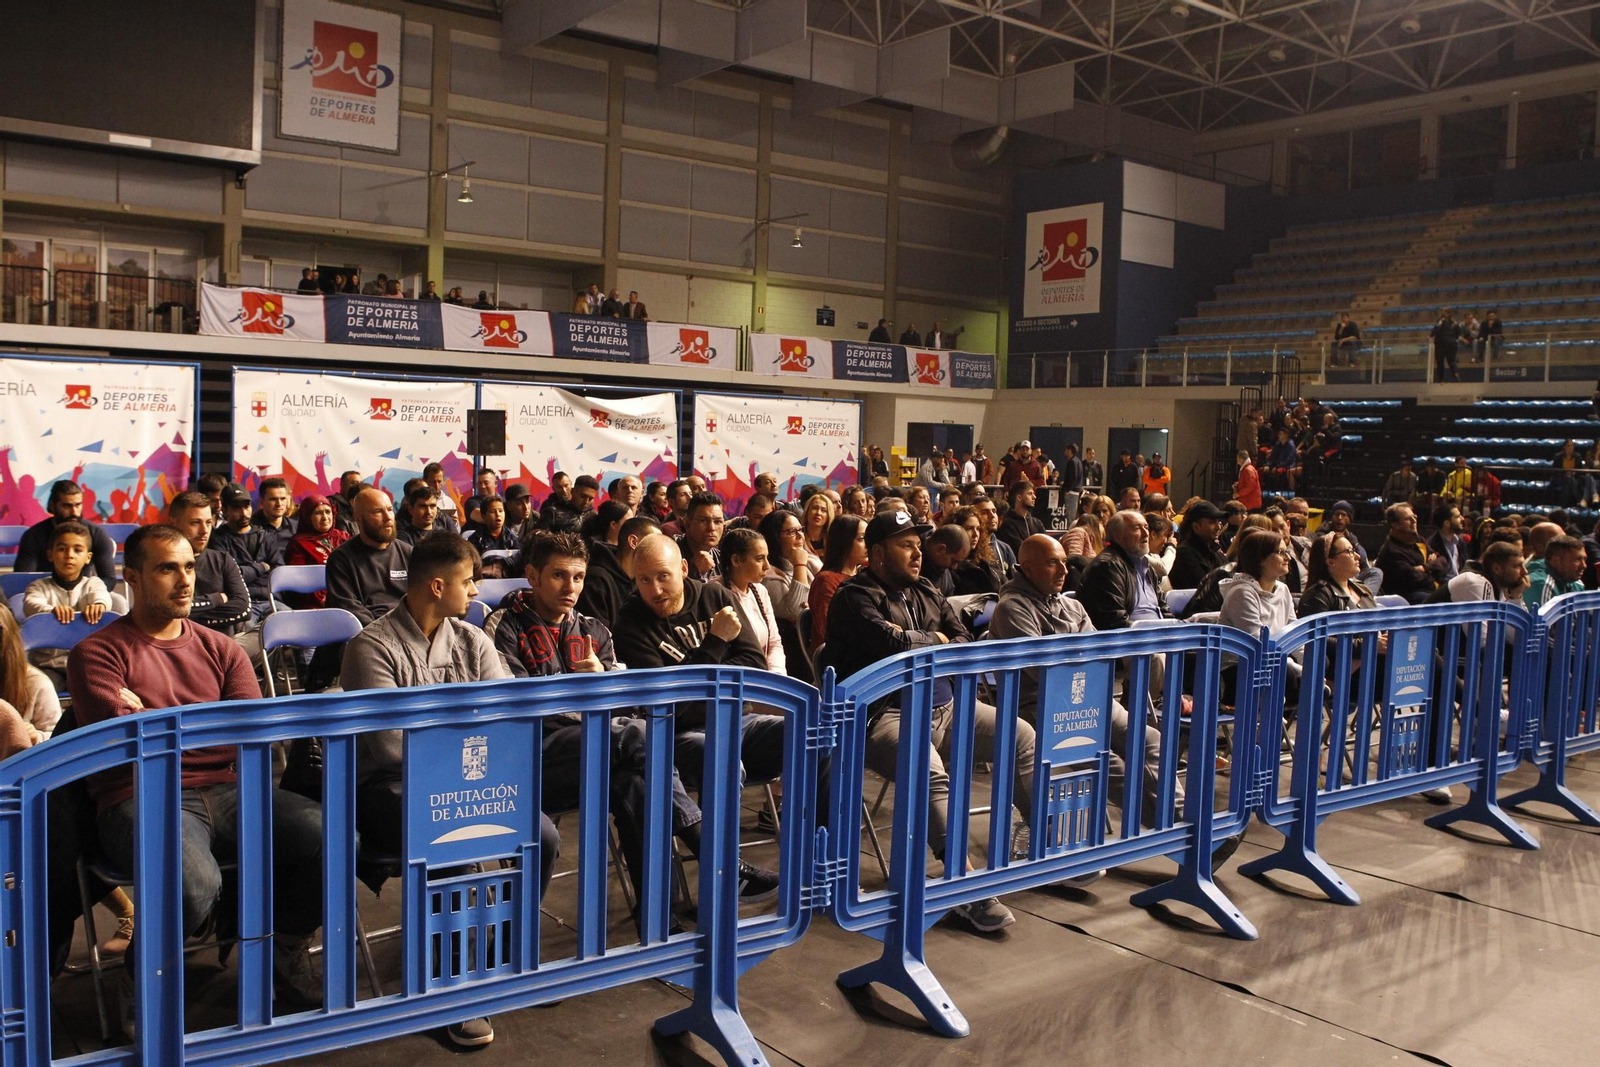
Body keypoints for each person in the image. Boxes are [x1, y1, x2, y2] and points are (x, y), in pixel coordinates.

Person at [69, 524, 326, 1020]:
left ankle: (285, 947)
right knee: (194, 884)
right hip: (140, 794)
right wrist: (196, 726)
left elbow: (251, 731)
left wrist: (151, 715)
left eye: (189, 566)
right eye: (167, 568)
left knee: (335, 837)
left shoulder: (222, 649)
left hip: (229, 788)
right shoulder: (96, 653)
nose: (185, 580)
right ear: (133, 579)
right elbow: (126, 743)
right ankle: (140, 978)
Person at [340, 533, 549, 1048]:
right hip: (389, 787)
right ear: (438, 585)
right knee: (452, 844)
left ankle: (504, 956)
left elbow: (503, 716)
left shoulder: (472, 640)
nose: (476, 590)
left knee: (541, 837)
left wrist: (461, 740)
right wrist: (467, 735)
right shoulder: (372, 647)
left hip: (467, 780)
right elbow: (391, 748)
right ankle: (447, 988)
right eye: (468, 580)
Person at [824, 509, 1036, 933]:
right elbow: (890, 644)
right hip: (885, 717)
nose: (918, 552)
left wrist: (925, 641)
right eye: (906, 545)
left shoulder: (925, 589)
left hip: (948, 708)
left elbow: (961, 639)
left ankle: (1046, 844)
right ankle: (966, 885)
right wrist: (928, 640)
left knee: (1020, 735)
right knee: (929, 770)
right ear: (878, 553)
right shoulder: (854, 596)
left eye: (919, 544)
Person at [989, 535, 1208, 849]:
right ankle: (1183, 831)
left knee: (1150, 739)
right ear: (1026, 567)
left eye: (1065, 561)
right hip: (1042, 706)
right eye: (1053, 563)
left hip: (1090, 697)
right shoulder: (1012, 608)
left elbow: (1099, 656)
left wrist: (1076, 661)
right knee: (1109, 763)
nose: (1064, 570)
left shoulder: (1072, 604)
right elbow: (1045, 671)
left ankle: (1180, 825)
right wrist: (1079, 659)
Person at [609, 536, 790, 900]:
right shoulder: (630, 623)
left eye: (663, 576)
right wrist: (716, 644)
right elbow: (670, 704)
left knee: (808, 734)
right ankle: (725, 872)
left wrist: (691, 678)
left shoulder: (715, 597)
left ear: (684, 569)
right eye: (643, 580)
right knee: (718, 756)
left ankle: (819, 862)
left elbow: (753, 667)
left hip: (737, 720)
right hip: (678, 734)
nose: (655, 589)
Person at [22, 521, 113, 686]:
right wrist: (51, 610)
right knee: (38, 686)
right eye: (62, 549)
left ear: (88, 557)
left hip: (86, 664)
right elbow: (31, 603)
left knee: (100, 688)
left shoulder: (93, 584)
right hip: (49, 666)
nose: (69, 555)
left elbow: (101, 596)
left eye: (77, 550)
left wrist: (99, 605)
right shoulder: (38, 586)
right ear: (50, 555)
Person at [166, 492, 251, 637]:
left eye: (208, 522)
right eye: (195, 523)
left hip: (223, 645)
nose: (204, 531)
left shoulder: (223, 560)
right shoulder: (163, 563)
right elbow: (167, 611)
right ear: (174, 522)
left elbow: (243, 609)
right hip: (178, 645)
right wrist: (215, 599)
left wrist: (189, 619)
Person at [325, 487, 410, 627]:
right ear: (358, 518)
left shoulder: (408, 553)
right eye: (378, 512)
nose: (388, 517)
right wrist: (384, 633)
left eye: (389, 509)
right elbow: (349, 610)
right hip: (367, 635)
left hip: (407, 629)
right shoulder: (340, 559)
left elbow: (423, 600)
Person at [1079, 510, 1168, 632]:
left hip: (1160, 640)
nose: (1146, 533)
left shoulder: (1146, 566)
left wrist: (1175, 631)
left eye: (1146, 527)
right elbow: (1115, 621)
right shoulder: (1108, 566)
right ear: (1118, 536)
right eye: (1137, 528)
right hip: (1132, 643)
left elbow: (1163, 608)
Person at [15, 479, 118, 582]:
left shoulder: (96, 534)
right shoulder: (33, 536)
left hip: (85, 594)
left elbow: (108, 578)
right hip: (42, 593)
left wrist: (90, 593)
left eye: (78, 505)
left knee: (118, 599)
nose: (74, 512)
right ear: (52, 505)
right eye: (67, 506)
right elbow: (23, 578)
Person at [712, 528, 785, 674]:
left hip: (765, 677)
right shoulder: (714, 592)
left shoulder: (760, 590)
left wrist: (776, 675)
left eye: (767, 557)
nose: (767, 566)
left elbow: (774, 643)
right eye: (759, 559)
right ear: (736, 560)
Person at [210, 484, 283, 620]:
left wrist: (246, 572)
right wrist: (261, 567)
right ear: (225, 510)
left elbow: (279, 572)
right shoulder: (218, 539)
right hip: (241, 602)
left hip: (271, 599)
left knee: (292, 622)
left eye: (247, 506)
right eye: (237, 508)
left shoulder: (265, 535)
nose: (244, 513)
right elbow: (228, 576)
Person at [1219, 530, 1297, 637]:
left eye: (1287, 552)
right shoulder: (1242, 594)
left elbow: (1293, 634)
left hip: (1275, 653)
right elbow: (1258, 644)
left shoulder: (1283, 589)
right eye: (1280, 552)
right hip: (1251, 654)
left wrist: (1311, 653)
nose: (1288, 557)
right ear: (1261, 559)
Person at [282, 494, 350, 608]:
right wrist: (328, 600)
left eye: (328, 512)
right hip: (316, 603)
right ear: (307, 516)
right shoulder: (298, 544)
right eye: (318, 513)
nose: (325, 517)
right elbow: (301, 581)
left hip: (347, 596)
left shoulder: (342, 537)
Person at [1376, 503, 1434, 605]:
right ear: (1395, 525)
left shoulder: (1417, 539)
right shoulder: (1392, 550)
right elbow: (1413, 579)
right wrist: (1432, 570)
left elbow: (1442, 561)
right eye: (1408, 519)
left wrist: (1424, 568)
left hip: (1423, 588)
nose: (1414, 521)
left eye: (1414, 517)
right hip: (1404, 598)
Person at [1447, 540, 1529, 604]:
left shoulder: (1497, 585)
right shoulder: (1474, 582)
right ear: (1496, 569)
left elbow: (1515, 625)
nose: (1525, 571)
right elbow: (1479, 625)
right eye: (1517, 566)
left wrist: (1516, 596)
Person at [1170, 501, 1227, 590]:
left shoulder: (1216, 552)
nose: (1218, 527)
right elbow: (1204, 589)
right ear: (1197, 526)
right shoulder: (1184, 554)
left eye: (1218, 522)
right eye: (1212, 522)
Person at [1524, 535, 1587, 609]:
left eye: (1585, 559)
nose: (1584, 566)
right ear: (1556, 561)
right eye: (1577, 560)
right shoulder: (1541, 584)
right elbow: (1542, 620)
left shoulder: (1577, 584)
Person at [678, 492, 726, 582]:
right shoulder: (671, 554)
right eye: (703, 521)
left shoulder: (722, 559)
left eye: (718, 521)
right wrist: (694, 571)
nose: (712, 528)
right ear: (687, 524)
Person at [997, 481, 1044, 554]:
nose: (1034, 497)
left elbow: (1046, 546)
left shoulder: (1037, 523)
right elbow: (1020, 549)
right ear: (1019, 497)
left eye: (1033, 494)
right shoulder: (1008, 524)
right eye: (1030, 494)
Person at [1428, 506, 1468, 581]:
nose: (1462, 519)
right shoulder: (1432, 544)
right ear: (1447, 523)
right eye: (1458, 517)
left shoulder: (1460, 542)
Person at [1430, 308, 1460, 382]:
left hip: (1441, 344)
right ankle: (1455, 374)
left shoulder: (1440, 322)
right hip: (1452, 342)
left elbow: (1433, 333)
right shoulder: (1454, 322)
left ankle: (1441, 380)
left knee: (1440, 362)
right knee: (1452, 361)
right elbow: (1458, 333)